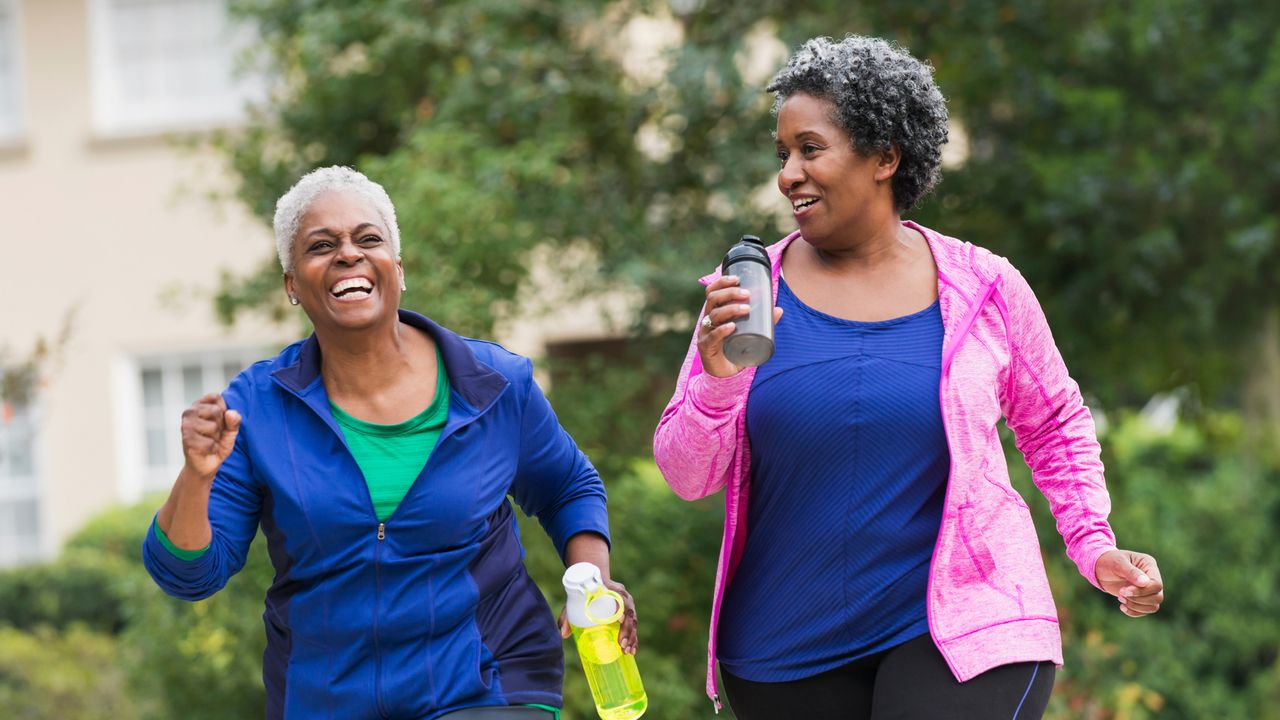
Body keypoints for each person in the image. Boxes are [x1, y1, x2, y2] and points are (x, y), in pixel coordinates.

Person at [653, 35, 1164, 719]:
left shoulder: (984, 287)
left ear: (886, 158)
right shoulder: (745, 297)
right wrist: (717, 381)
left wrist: (1092, 541)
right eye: (783, 155)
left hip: (964, 631)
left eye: (810, 149)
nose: (788, 175)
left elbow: (1053, 422)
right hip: (782, 649)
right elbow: (687, 476)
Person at [143, 166, 637, 720]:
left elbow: (568, 485)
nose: (348, 254)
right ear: (291, 284)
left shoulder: (493, 384)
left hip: (487, 685)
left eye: (368, 239)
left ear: (397, 270)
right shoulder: (256, 408)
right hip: (324, 700)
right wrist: (197, 475)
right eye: (321, 245)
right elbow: (189, 575)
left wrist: (594, 577)